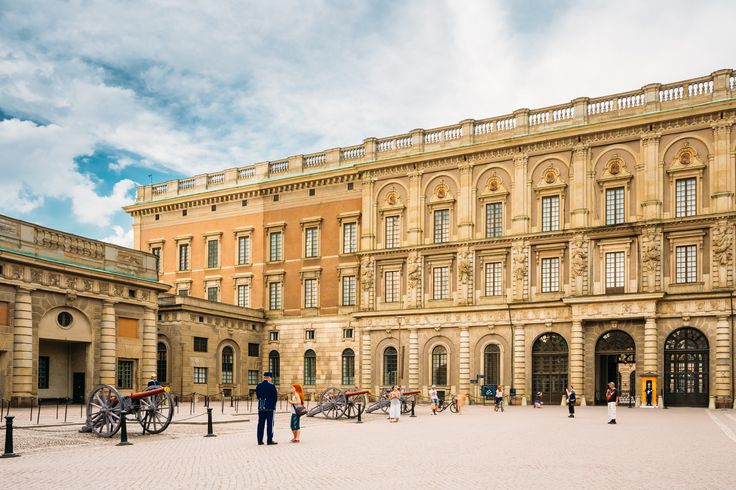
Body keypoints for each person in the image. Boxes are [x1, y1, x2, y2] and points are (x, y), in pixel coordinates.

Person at [256, 372, 279, 445]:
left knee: (260, 424)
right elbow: (275, 397)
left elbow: (258, 396)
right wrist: (273, 404)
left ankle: (260, 440)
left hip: (261, 406)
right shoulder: (271, 386)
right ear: (269, 378)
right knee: (270, 424)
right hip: (270, 407)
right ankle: (269, 440)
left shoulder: (259, 385)